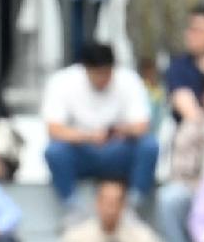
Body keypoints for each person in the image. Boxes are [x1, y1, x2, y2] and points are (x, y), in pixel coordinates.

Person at [41, 37, 157, 205]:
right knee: (55, 151)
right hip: (82, 150)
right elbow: (54, 129)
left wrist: (119, 131)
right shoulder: (62, 81)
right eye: (98, 74)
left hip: (118, 148)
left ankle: (134, 204)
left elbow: (142, 126)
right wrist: (88, 137)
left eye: (107, 73)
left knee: (149, 145)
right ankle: (73, 207)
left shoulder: (129, 80)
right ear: (85, 69)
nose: (103, 79)